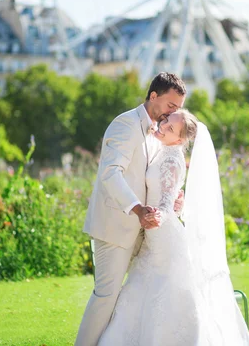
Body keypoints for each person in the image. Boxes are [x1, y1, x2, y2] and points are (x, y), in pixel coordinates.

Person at [98, 109, 249, 345]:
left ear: (179, 140)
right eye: (167, 120)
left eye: (170, 128)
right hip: (157, 233)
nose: (164, 125)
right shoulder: (161, 149)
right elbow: (171, 201)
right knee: (147, 287)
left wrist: (158, 213)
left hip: (163, 235)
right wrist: (173, 208)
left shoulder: (172, 159)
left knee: (165, 288)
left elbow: (165, 205)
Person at [75, 72, 187, 346]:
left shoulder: (156, 133)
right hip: (115, 228)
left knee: (131, 301)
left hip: (146, 234)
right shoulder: (125, 124)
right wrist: (138, 210)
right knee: (105, 297)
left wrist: (171, 200)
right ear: (153, 96)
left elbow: (151, 179)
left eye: (178, 109)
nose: (174, 113)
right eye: (171, 106)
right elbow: (111, 174)